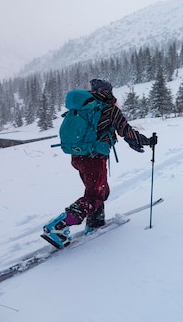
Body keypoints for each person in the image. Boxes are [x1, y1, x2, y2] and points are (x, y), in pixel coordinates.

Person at [42, 79, 157, 248]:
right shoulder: (110, 109)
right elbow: (127, 131)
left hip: (77, 156)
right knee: (95, 195)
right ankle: (58, 227)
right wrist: (147, 141)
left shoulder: (83, 107)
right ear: (108, 92)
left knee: (99, 190)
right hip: (94, 158)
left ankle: (95, 222)